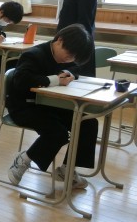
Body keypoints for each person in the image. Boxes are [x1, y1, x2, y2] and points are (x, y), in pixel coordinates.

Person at [6, 24, 96, 190]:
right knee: (58, 133)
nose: (69, 59)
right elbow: (21, 80)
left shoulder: (64, 58)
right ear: (59, 40)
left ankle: (67, 170)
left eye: (73, 58)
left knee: (88, 121)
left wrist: (70, 74)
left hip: (50, 105)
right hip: (25, 106)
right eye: (69, 55)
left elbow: (76, 68)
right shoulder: (33, 55)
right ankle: (24, 160)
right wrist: (54, 80)